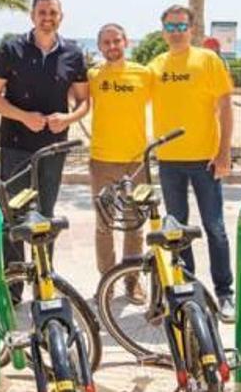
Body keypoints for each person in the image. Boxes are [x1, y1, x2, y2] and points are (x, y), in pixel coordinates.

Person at [0, 0, 90, 302]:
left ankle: (44, 283)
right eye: (42, 12)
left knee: (45, 215)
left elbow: (84, 102)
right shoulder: (10, 49)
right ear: (32, 16)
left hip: (53, 148)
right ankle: (12, 289)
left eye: (53, 13)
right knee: (13, 215)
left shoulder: (72, 53)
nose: (47, 17)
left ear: (61, 17)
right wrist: (23, 116)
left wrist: (68, 118)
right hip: (16, 146)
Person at [148, 5, 236, 322]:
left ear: (191, 29)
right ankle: (187, 290)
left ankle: (225, 294)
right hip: (169, 162)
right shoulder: (156, 66)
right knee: (177, 231)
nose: (176, 32)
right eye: (170, 27)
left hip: (206, 160)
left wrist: (224, 151)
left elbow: (226, 106)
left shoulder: (208, 60)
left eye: (181, 26)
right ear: (163, 32)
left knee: (215, 228)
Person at [88, 23, 151, 304]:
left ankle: (132, 281)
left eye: (116, 41)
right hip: (102, 160)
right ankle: (107, 280)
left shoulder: (144, 74)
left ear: (126, 41)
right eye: (106, 42)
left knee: (135, 225)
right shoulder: (92, 76)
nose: (112, 46)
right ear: (100, 46)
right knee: (104, 225)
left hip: (136, 162)